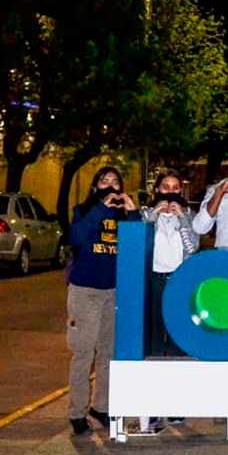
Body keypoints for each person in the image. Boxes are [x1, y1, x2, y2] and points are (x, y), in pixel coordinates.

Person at [66, 166, 141, 436]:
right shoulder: (84, 210)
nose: (110, 186)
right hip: (85, 290)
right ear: (95, 186)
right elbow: (77, 237)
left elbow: (137, 244)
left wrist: (132, 212)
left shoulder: (124, 216)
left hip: (113, 292)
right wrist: (101, 208)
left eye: (115, 182)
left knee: (109, 353)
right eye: (104, 181)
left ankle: (102, 406)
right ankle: (76, 411)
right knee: (84, 352)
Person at [136, 169, 198, 433]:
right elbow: (137, 243)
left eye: (175, 187)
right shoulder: (145, 215)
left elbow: (193, 247)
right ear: (157, 190)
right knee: (152, 343)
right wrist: (153, 216)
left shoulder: (190, 216)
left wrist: (183, 219)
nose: (170, 193)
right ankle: (150, 407)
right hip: (153, 280)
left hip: (179, 281)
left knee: (176, 342)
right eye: (165, 187)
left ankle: (175, 404)